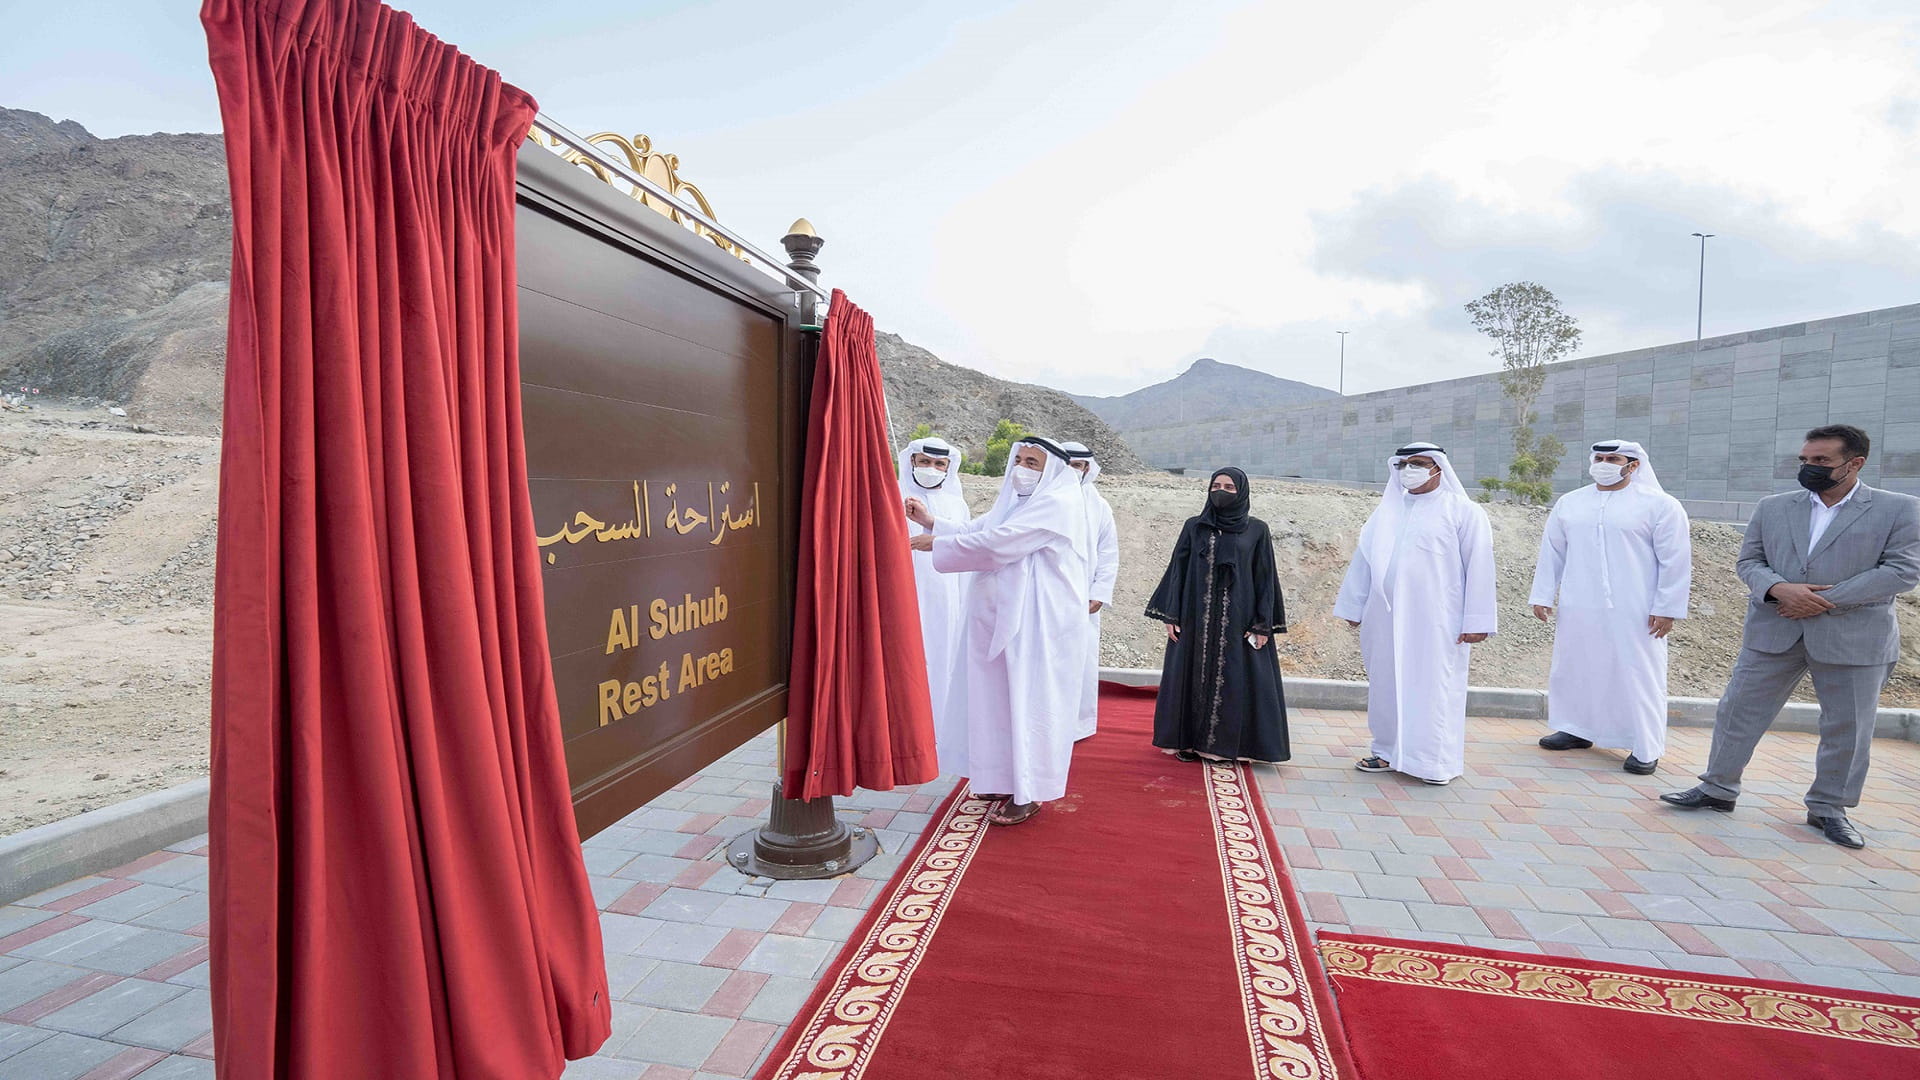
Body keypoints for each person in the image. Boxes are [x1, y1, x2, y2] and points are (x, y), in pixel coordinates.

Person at [1661, 425, 1920, 849]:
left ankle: (1829, 807)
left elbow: (1901, 572)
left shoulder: (1899, 509)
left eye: (1821, 461)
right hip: (1775, 627)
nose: (1808, 467)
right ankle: (1717, 788)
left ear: (1854, 464)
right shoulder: (1774, 507)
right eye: (1804, 460)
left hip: (1855, 637)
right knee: (1738, 710)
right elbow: (1749, 561)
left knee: (1848, 727)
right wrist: (1781, 589)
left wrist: (1822, 600)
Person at [906, 436, 1089, 825]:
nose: (1022, 468)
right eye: (1019, 459)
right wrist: (931, 521)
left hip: (1038, 625)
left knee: (1029, 703)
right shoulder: (1017, 501)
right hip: (1001, 618)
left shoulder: (1058, 502)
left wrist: (937, 544)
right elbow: (980, 527)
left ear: (1052, 471)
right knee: (996, 701)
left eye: (1032, 463)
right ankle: (1001, 777)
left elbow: (997, 544)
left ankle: (1030, 791)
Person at [1332, 443, 1497, 785]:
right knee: (1385, 685)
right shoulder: (1386, 512)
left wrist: (1477, 620)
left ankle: (1433, 762)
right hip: (1384, 617)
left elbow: (1480, 566)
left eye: (1418, 463)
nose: (1409, 470)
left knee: (1434, 687)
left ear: (1438, 467)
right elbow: (1364, 561)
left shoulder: (1464, 511)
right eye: (1404, 464)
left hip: (1438, 620)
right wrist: (1353, 605)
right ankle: (1386, 750)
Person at [1529, 440, 1692, 774]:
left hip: (1636, 607)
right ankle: (1576, 728)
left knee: (1638, 673)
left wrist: (1667, 607)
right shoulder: (1571, 503)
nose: (1603, 464)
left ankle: (1645, 746)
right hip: (1579, 603)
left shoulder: (1660, 505)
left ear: (1633, 465)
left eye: (1612, 458)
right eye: (1599, 458)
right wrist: (1543, 594)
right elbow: (1553, 551)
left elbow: (1675, 561)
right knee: (1576, 666)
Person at [1146, 467, 1290, 764]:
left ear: (1242, 492)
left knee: (1234, 679)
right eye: (1216, 486)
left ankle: (1224, 747)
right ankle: (1187, 742)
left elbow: (1265, 578)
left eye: (1229, 487)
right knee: (1190, 675)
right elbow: (1177, 570)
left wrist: (1262, 624)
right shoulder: (1194, 526)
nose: (1221, 491)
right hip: (1193, 618)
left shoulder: (1257, 530)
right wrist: (1171, 614)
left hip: (1238, 620)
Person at [898, 435, 973, 743]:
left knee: (942, 660)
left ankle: (940, 731)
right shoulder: (893, 496)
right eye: (925, 461)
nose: (931, 468)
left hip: (945, 599)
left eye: (939, 464)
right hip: (904, 596)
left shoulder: (957, 504)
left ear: (948, 467)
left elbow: (968, 547)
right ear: (912, 461)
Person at [1061, 441, 1120, 741]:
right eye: (1066, 465)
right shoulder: (1040, 499)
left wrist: (1100, 591)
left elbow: (1108, 552)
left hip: (1084, 599)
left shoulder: (1099, 505)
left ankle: (1078, 724)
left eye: (1078, 465)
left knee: (1080, 660)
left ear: (1087, 469)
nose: (1072, 471)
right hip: (1045, 596)